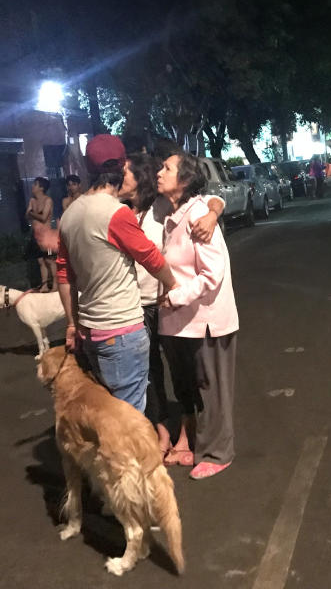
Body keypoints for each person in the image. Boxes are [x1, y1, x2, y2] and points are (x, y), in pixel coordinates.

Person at [56, 134, 178, 413]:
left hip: (90, 332)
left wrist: (72, 324)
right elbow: (150, 256)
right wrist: (172, 284)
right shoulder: (115, 213)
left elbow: (64, 274)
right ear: (123, 166)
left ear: (87, 168)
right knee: (129, 419)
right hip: (122, 330)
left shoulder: (70, 215)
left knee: (108, 412)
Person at [118, 153, 225, 463]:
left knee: (186, 372)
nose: (117, 177)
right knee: (149, 372)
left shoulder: (163, 206)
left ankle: (189, 432)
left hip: (165, 303)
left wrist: (212, 214)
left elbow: (210, 198)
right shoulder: (119, 212)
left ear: (140, 176)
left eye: (124, 172)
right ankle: (163, 429)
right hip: (134, 306)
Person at [156, 151, 240, 480]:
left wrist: (176, 296)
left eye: (167, 168)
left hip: (205, 320)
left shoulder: (199, 216)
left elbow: (212, 274)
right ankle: (195, 442)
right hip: (177, 321)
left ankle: (218, 452)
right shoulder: (170, 213)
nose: (160, 173)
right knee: (189, 387)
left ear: (186, 180)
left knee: (211, 389)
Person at [26, 176, 57, 291]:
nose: (32, 187)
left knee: (49, 260)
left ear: (41, 188)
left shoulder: (48, 200)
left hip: (46, 237)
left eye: (35, 184)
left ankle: (55, 284)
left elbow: (44, 217)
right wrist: (32, 213)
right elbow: (26, 215)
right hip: (36, 236)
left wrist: (32, 213)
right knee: (40, 261)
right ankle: (44, 285)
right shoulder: (32, 200)